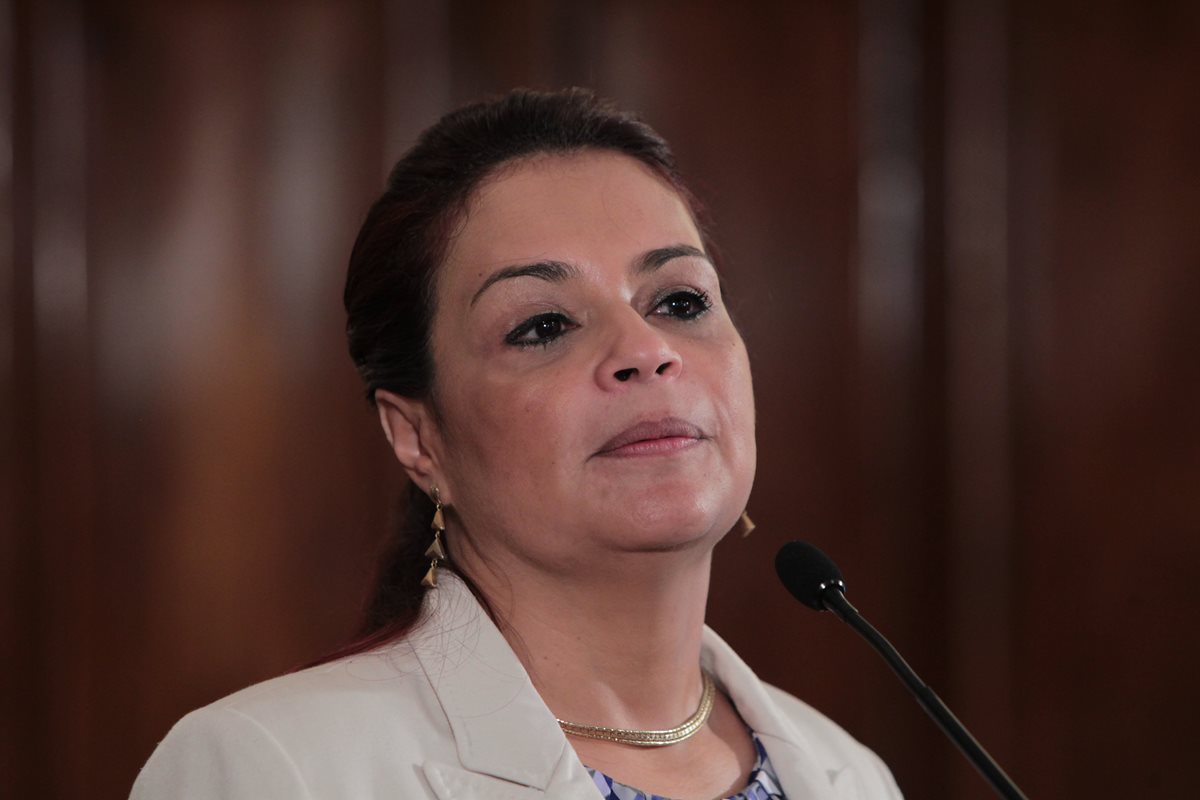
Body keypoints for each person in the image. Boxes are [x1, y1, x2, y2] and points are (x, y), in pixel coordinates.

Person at [131, 88, 902, 800]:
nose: (646, 348)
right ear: (417, 435)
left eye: (679, 300)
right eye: (543, 325)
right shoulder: (273, 769)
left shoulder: (856, 776)